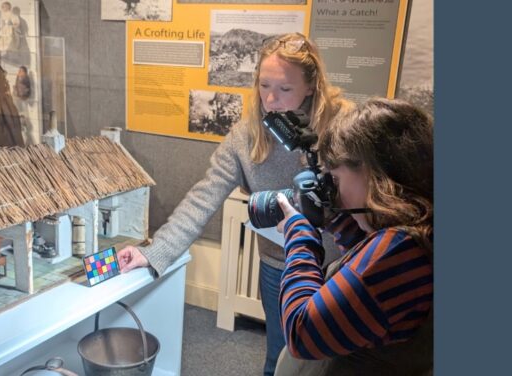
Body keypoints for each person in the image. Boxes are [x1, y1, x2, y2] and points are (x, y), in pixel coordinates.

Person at [117, 32, 353, 376]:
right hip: (279, 263)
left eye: (285, 89)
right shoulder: (246, 135)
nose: (271, 99)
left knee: (336, 363)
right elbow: (204, 195)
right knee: (280, 355)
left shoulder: (342, 125)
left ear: (311, 86)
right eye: (264, 85)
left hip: (338, 265)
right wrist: (155, 252)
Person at [274, 98, 433, 375]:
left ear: (373, 175)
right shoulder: (417, 232)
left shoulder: (401, 251)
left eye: (335, 179)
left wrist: (299, 234)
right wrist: (335, 220)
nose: (332, 190)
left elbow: (303, 333)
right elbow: (367, 286)